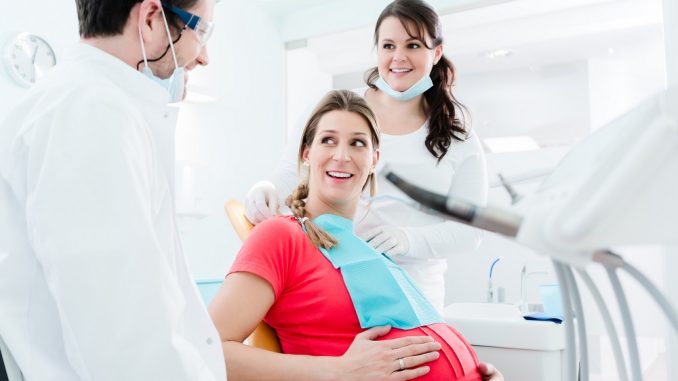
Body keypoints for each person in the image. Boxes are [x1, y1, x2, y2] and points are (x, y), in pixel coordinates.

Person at [0, 0, 225, 379]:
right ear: (152, 18)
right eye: (200, 32)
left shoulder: (80, 102)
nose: (203, 57)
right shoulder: (92, 113)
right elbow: (126, 341)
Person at [210, 90, 502, 381]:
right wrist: (339, 371)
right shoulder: (281, 235)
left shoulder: (367, 252)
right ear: (306, 154)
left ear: (374, 160)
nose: (342, 155)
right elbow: (207, 349)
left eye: (357, 143)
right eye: (328, 140)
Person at [245, 0, 488, 312]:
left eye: (413, 45)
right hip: (331, 282)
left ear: (436, 53)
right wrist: (265, 189)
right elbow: (292, 171)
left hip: (413, 298)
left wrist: (408, 239)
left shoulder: (459, 139)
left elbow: (469, 232)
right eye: (388, 45)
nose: (398, 57)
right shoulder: (338, 109)